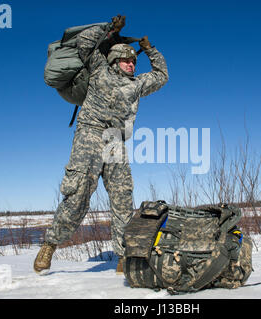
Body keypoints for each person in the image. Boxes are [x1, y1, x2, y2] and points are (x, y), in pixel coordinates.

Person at [33, 15, 169, 275]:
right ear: (114, 60)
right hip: (90, 135)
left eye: (133, 61)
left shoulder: (137, 84)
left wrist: (151, 51)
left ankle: (123, 255)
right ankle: (50, 244)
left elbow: (161, 76)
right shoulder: (98, 68)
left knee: (122, 198)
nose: (131, 64)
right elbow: (85, 44)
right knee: (78, 193)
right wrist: (108, 29)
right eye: (126, 60)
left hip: (116, 141)